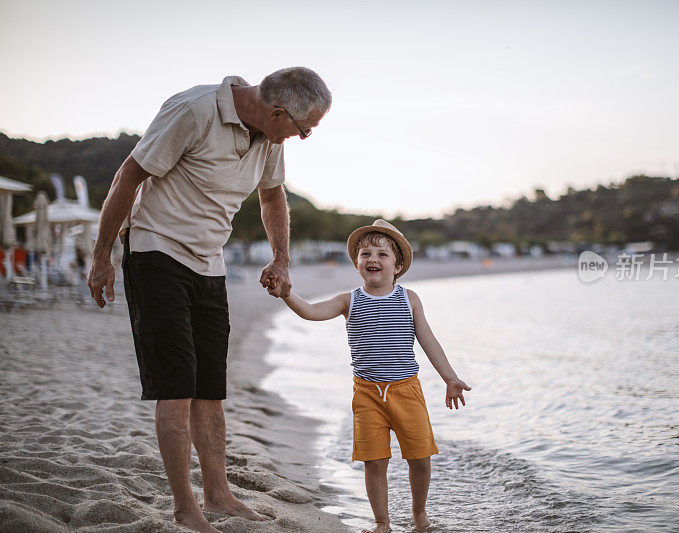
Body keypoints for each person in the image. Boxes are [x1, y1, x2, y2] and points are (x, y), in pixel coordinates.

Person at [87, 68, 332, 533]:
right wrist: (102, 256)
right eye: (303, 129)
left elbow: (273, 196)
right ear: (277, 111)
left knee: (209, 388)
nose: (302, 138)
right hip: (157, 249)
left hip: (209, 262)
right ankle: (185, 508)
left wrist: (281, 259)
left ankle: (218, 495)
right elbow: (128, 176)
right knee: (176, 386)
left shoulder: (269, 138)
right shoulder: (194, 110)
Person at [275, 219, 471, 533]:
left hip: (407, 390)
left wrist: (450, 378)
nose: (373, 259)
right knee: (374, 461)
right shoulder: (348, 301)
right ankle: (382, 523)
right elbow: (311, 311)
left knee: (420, 457)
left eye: (382, 254)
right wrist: (286, 294)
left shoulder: (409, 299)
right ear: (357, 263)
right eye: (366, 254)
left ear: (398, 265)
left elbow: (429, 340)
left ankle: (420, 517)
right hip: (366, 393)